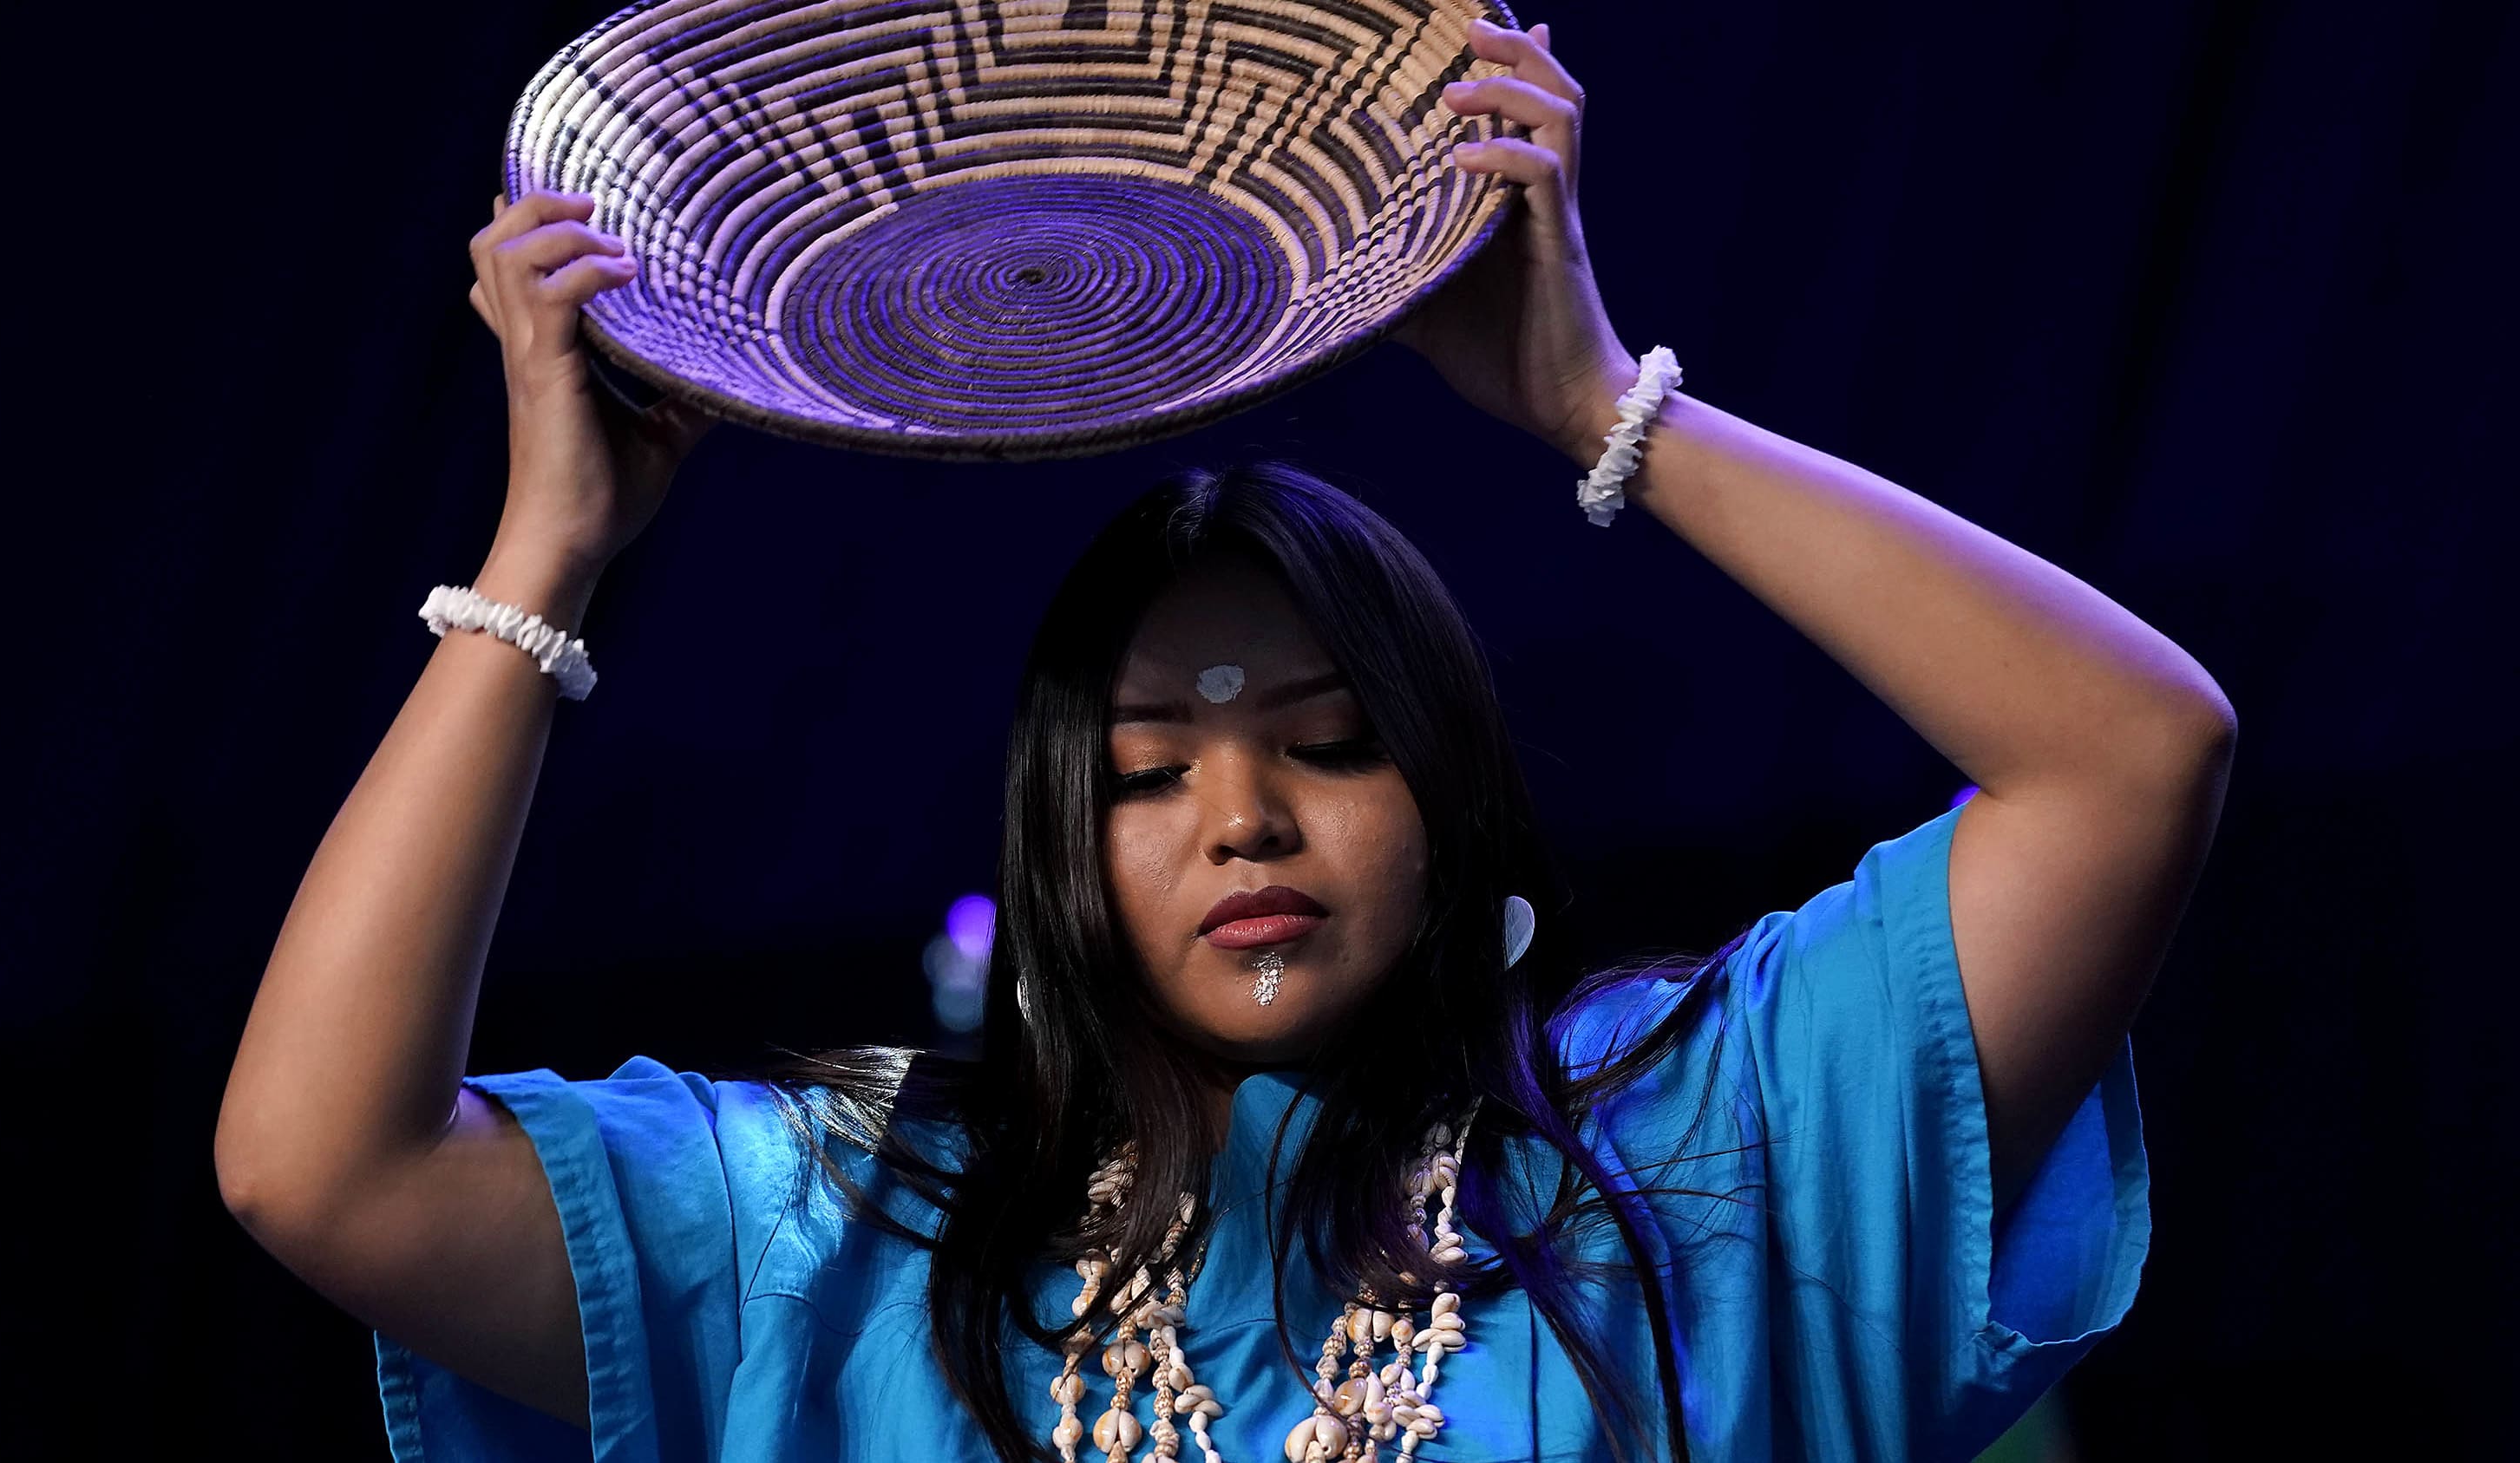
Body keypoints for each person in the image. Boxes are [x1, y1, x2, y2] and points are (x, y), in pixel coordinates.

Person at [214, 16, 2234, 1463]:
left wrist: (1599, 402)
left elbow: (2130, 754)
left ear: (1452, 812)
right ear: (1055, 862)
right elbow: (327, 1166)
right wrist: (544, 546)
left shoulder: (1696, 1150)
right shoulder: (850, 1233)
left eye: (1332, 743)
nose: (1243, 814)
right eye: (1147, 778)